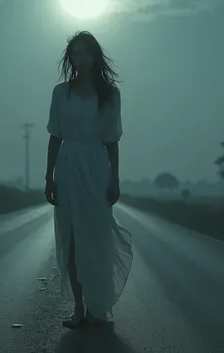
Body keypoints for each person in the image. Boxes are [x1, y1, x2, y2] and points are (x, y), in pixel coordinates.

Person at [44, 31, 133, 328]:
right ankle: (79, 308)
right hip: (68, 165)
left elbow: (112, 141)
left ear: (95, 56)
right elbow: (55, 136)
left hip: (96, 166)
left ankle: (98, 305)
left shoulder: (110, 94)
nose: (80, 58)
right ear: (70, 58)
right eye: (75, 53)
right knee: (70, 238)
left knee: (95, 237)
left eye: (86, 52)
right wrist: (49, 177)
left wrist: (115, 179)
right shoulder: (60, 92)